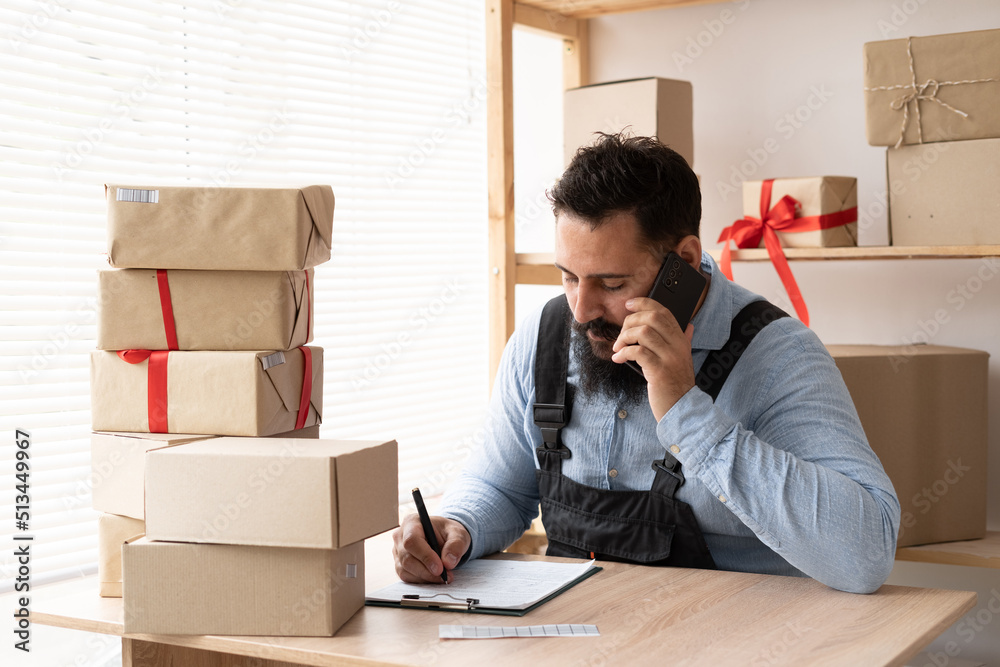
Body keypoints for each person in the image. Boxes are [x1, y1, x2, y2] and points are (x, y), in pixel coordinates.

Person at [392, 132, 900, 594]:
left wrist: (688, 413)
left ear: (684, 262)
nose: (581, 311)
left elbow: (866, 556)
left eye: (611, 284)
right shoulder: (543, 338)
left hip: (733, 643)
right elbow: (500, 486)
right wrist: (457, 526)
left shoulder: (779, 355)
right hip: (576, 637)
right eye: (568, 276)